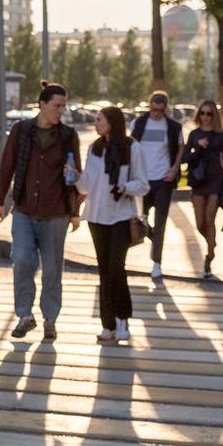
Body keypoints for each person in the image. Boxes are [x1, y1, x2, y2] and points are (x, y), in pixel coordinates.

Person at [0, 82, 82, 341]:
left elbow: (75, 175)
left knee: (53, 270)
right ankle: (24, 316)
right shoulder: (22, 131)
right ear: (41, 105)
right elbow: (6, 166)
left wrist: (75, 211)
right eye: (57, 106)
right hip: (23, 211)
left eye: (63, 106)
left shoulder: (68, 135)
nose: (60, 111)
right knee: (21, 261)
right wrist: (0, 200)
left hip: (56, 215)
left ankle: (50, 319)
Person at [78, 106, 149, 344]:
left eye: (99, 120)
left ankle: (122, 320)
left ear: (112, 122)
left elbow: (143, 184)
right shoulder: (94, 149)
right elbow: (86, 185)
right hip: (96, 218)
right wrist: (73, 178)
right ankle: (107, 325)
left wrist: (125, 187)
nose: (95, 123)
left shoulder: (132, 149)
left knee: (116, 267)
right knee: (104, 271)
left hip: (121, 217)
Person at [129, 91, 184, 280]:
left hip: (163, 180)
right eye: (152, 109)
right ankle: (153, 236)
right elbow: (131, 146)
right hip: (142, 180)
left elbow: (180, 148)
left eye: (159, 111)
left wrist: (174, 169)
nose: (155, 114)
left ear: (165, 109)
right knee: (140, 219)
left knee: (161, 222)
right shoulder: (139, 123)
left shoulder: (173, 127)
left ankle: (156, 262)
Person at [182, 100, 223, 279]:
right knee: (200, 223)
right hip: (198, 181)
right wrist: (197, 148)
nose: (205, 117)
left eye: (209, 114)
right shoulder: (195, 134)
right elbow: (185, 157)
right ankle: (212, 241)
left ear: (215, 116)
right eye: (202, 113)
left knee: (210, 217)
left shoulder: (222, 135)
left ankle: (209, 256)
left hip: (216, 180)